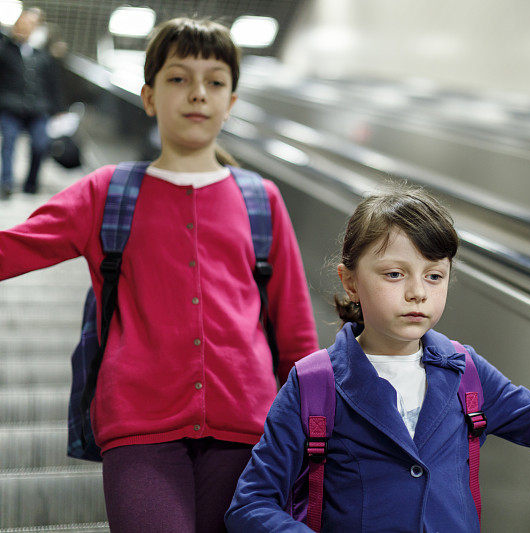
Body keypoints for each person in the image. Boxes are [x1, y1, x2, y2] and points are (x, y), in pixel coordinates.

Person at [224, 185, 530, 532]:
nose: (418, 292)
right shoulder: (315, 385)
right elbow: (250, 504)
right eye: (395, 274)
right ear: (350, 280)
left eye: (434, 276)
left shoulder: (464, 372)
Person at [0, 17, 318, 532]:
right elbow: (11, 248)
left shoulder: (261, 199)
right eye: (177, 78)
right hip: (139, 429)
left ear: (231, 102)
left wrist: (310, 429)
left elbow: (296, 330)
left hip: (249, 430)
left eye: (215, 81)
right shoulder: (107, 192)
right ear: (148, 96)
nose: (198, 93)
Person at [0, 7, 63, 198]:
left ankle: (31, 183)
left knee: (39, 144)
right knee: (9, 142)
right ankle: (7, 183)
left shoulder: (44, 54)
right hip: (11, 107)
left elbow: (53, 83)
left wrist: (58, 109)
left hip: (38, 108)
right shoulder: (5, 49)